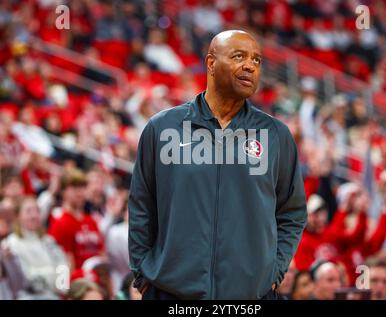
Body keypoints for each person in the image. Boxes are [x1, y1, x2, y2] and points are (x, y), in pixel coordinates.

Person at [128, 30, 308, 300]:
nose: (250, 65)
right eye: (239, 56)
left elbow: (292, 212)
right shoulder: (163, 128)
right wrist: (143, 273)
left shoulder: (276, 135)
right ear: (211, 63)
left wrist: (273, 271)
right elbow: (142, 204)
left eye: (257, 60)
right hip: (171, 294)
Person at [2, 196, 68, 298]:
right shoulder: (10, 244)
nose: (34, 215)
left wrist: (60, 288)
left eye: (37, 211)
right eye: (28, 211)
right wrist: (50, 275)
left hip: (54, 295)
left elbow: (62, 267)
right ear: (18, 216)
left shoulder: (49, 242)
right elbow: (23, 279)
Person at [48, 168, 104, 271]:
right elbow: (63, 264)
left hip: (98, 281)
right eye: (74, 187)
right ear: (63, 191)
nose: (79, 192)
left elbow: (101, 255)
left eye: (82, 187)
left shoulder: (91, 221)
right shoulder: (60, 222)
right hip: (77, 283)